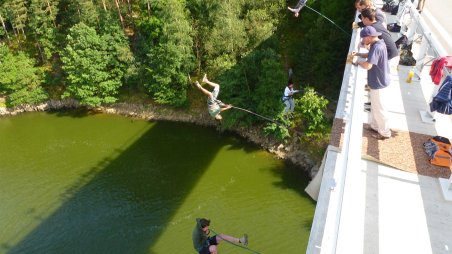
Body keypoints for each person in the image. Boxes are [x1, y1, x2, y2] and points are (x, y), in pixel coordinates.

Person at [352, 26, 392, 140]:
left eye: (363, 38)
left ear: (369, 37)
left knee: (380, 109)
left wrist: (358, 62)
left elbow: (368, 65)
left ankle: (385, 133)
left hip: (379, 83)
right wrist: (359, 55)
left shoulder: (376, 47)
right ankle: (375, 126)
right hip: (379, 80)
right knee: (375, 107)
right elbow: (371, 56)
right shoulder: (379, 43)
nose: (362, 41)